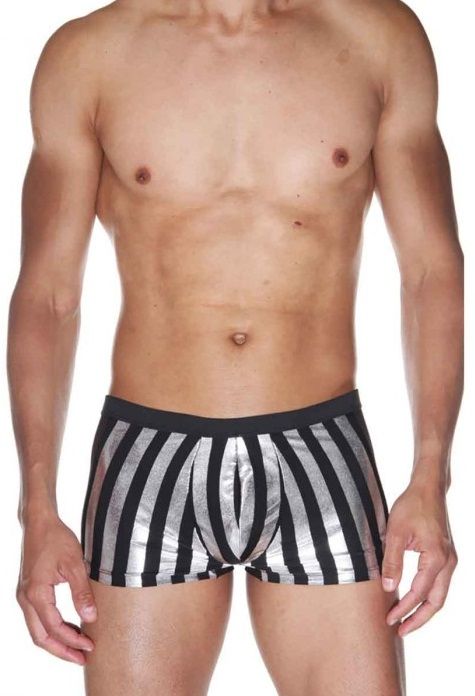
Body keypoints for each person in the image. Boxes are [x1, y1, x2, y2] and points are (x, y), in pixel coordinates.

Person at [8, 0, 463, 694]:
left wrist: (431, 476)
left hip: (322, 448)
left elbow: (431, 271)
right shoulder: (90, 54)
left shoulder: (376, 36)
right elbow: (47, 296)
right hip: (149, 460)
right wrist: (36, 509)